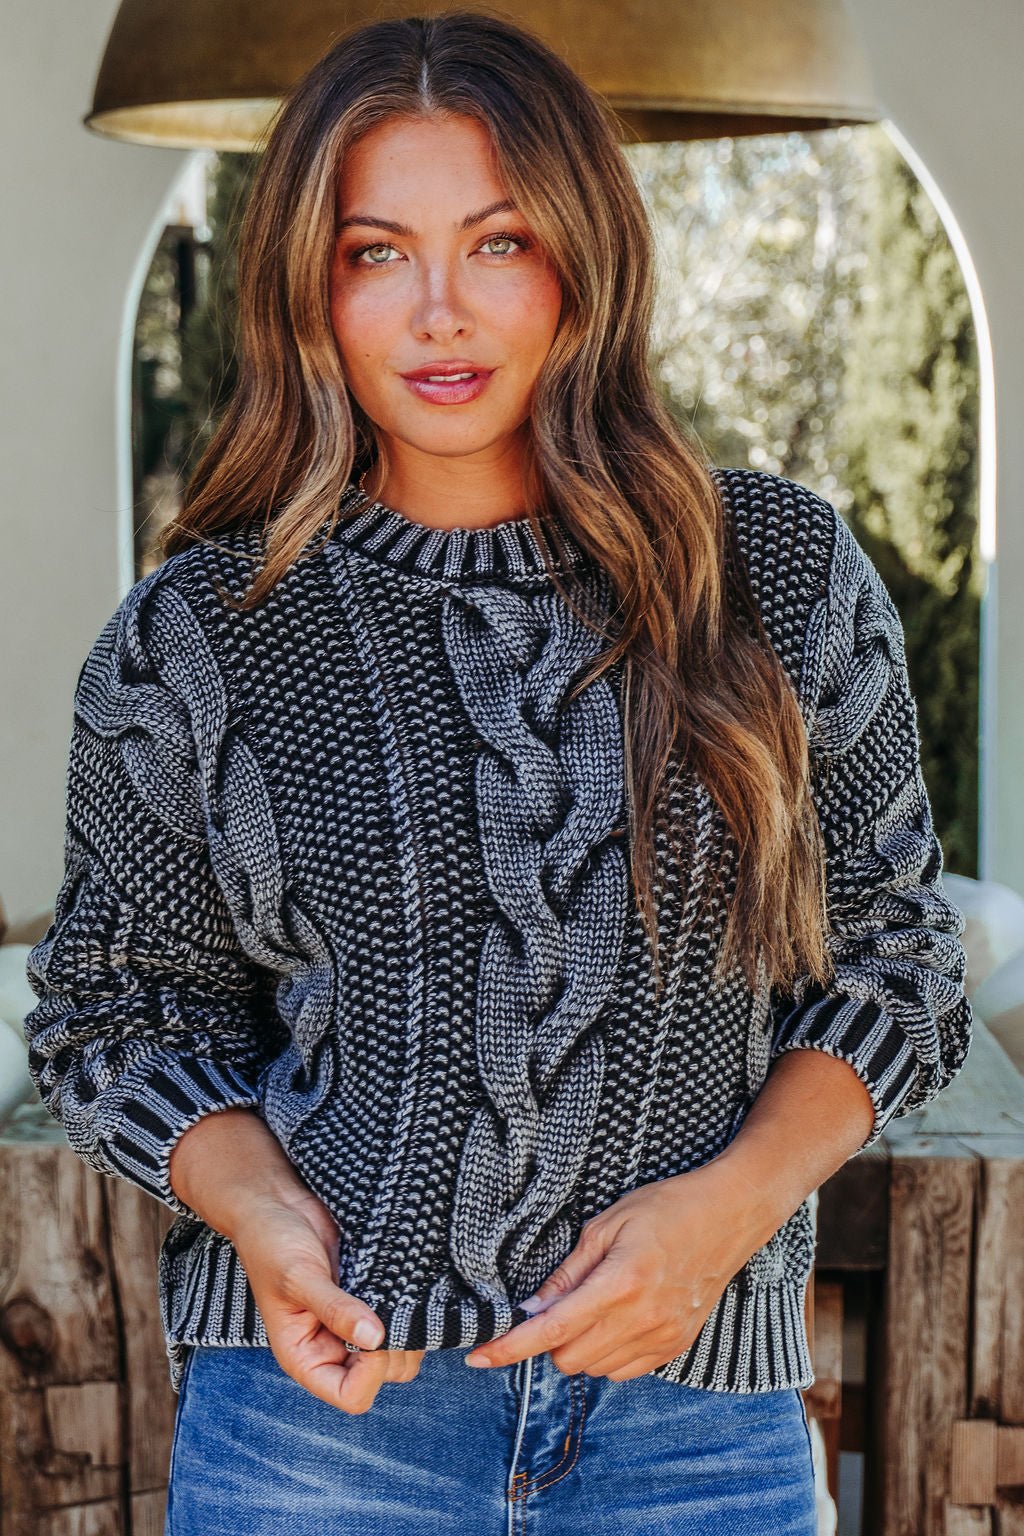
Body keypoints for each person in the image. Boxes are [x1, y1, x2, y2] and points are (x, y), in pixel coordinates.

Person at [23, 10, 973, 1534]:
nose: (441, 312)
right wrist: (263, 1217)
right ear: (308, 290)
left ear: (585, 261)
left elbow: (897, 963)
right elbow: (114, 1013)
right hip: (326, 1433)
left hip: (698, 1429)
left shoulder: (776, 573)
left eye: (501, 243)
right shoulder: (195, 634)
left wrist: (724, 1222)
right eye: (376, 252)